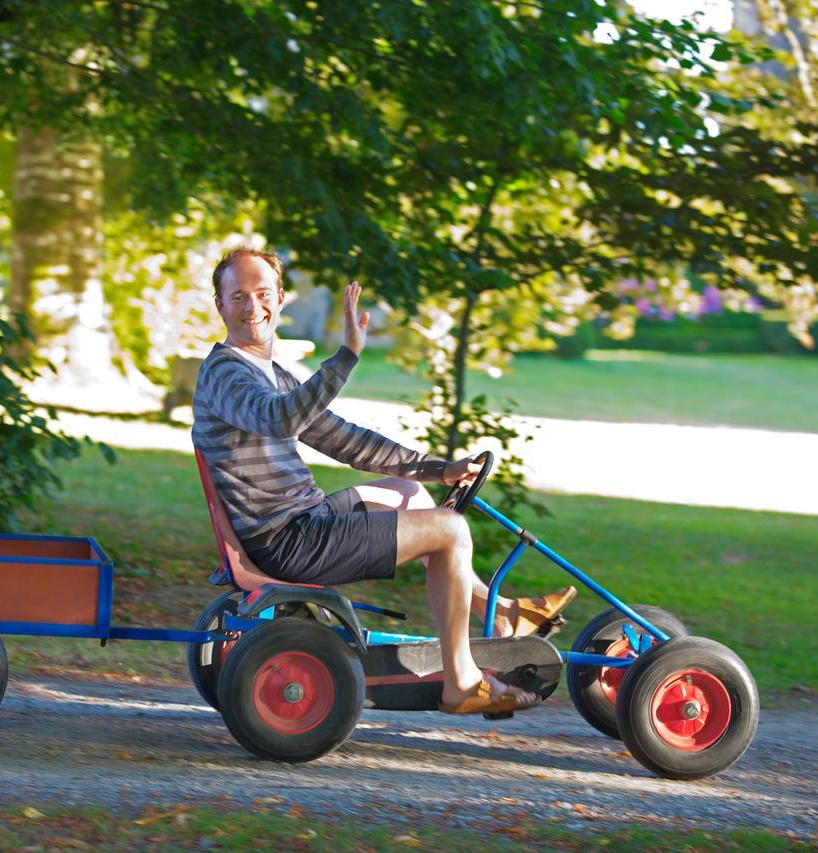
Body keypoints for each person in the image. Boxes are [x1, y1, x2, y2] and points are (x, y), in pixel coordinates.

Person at [192, 247, 576, 715]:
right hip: (284, 539)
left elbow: (343, 439)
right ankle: (462, 681)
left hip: (301, 521)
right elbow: (276, 419)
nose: (253, 307)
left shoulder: (270, 373)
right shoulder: (226, 374)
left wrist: (437, 468)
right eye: (238, 296)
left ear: (280, 298)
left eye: (262, 293)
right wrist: (347, 356)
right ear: (220, 306)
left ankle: (505, 616)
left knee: (411, 494)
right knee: (450, 530)